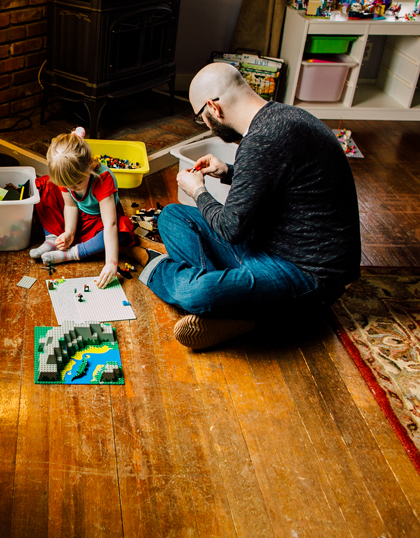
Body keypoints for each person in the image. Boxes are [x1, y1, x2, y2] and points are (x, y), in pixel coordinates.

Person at [127, 63, 361, 350]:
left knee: (198, 292)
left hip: (308, 274)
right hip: (268, 245)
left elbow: (230, 229)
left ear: (213, 107)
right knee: (174, 216)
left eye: (202, 118)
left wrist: (198, 190)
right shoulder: (282, 118)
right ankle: (235, 310)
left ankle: (159, 267)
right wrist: (227, 170)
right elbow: (279, 180)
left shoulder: (263, 139)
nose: (206, 124)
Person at [30, 127, 136, 288]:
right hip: (77, 216)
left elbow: (110, 225)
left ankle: (72, 253)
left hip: (100, 220)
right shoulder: (68, 178)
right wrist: (69, 232)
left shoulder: (102, 179)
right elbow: (70, 206)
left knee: (122, 229)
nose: (72, 188)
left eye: (77, 184)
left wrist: (111, 263)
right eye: (67, 186)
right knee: (42, 186)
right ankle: (52, 238)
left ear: (88, 166)